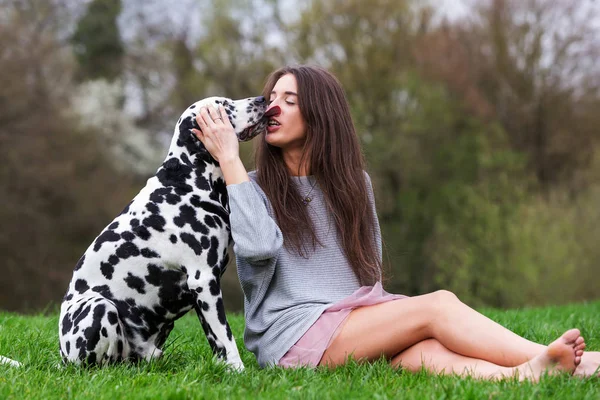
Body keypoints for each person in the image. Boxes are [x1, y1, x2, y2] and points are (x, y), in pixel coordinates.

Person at [192, 65, 599, 380]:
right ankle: (547, 355)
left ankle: (520, 376)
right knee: (437, 306)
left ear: (320, 115)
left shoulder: (354, 185)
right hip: (290, 337)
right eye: (271, 97)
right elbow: (259, 249)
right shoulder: (248, 188)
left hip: (350, 323)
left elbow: (366, 272)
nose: (273, 107)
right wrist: (230, 160)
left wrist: (387, 323)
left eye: (291, 100)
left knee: (421, 350)